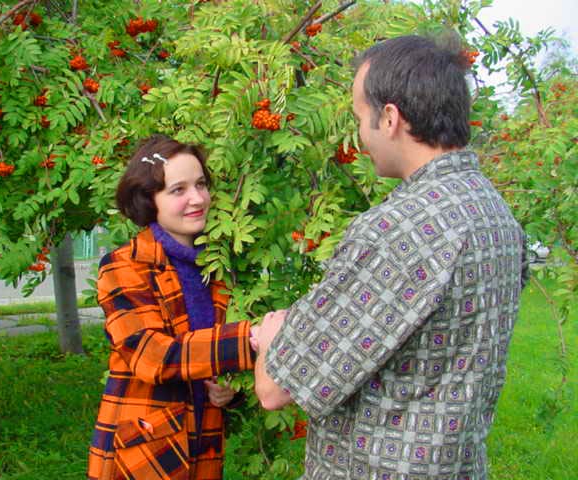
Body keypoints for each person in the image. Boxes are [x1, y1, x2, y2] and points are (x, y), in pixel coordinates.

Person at [253, 34, 528, 479]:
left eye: (360, 117)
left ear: (390, 118)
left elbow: (276, 388)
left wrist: (271, 338)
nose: (361, 135)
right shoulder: (496, 213)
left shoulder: (400, 228)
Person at [87, 134, 257, 480]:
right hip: (146, 454)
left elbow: (212, 358)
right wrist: (250, 339)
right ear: (149, 199)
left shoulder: (217, 267)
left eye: (201, 184)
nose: (198, 198)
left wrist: (231, 391)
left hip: (204, 441)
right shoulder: (123, 266)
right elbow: (152, 356)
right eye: (178, 190)